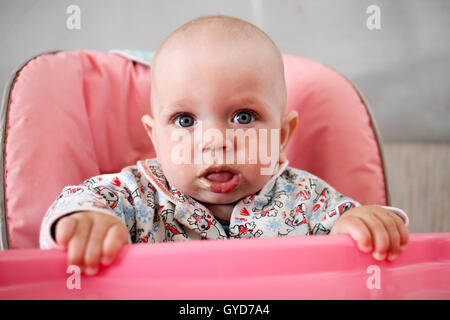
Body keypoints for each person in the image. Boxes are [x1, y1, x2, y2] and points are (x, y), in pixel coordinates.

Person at [40, 15, 409, 276]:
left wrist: (363, 224)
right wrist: (88, 223)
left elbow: (354, 227)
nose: (215, 142)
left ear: (281, 136)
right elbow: (78, 202)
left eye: (244, 117)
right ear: (155, 138)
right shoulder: (136, 195)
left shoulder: (306, 199)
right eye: (185, 121)